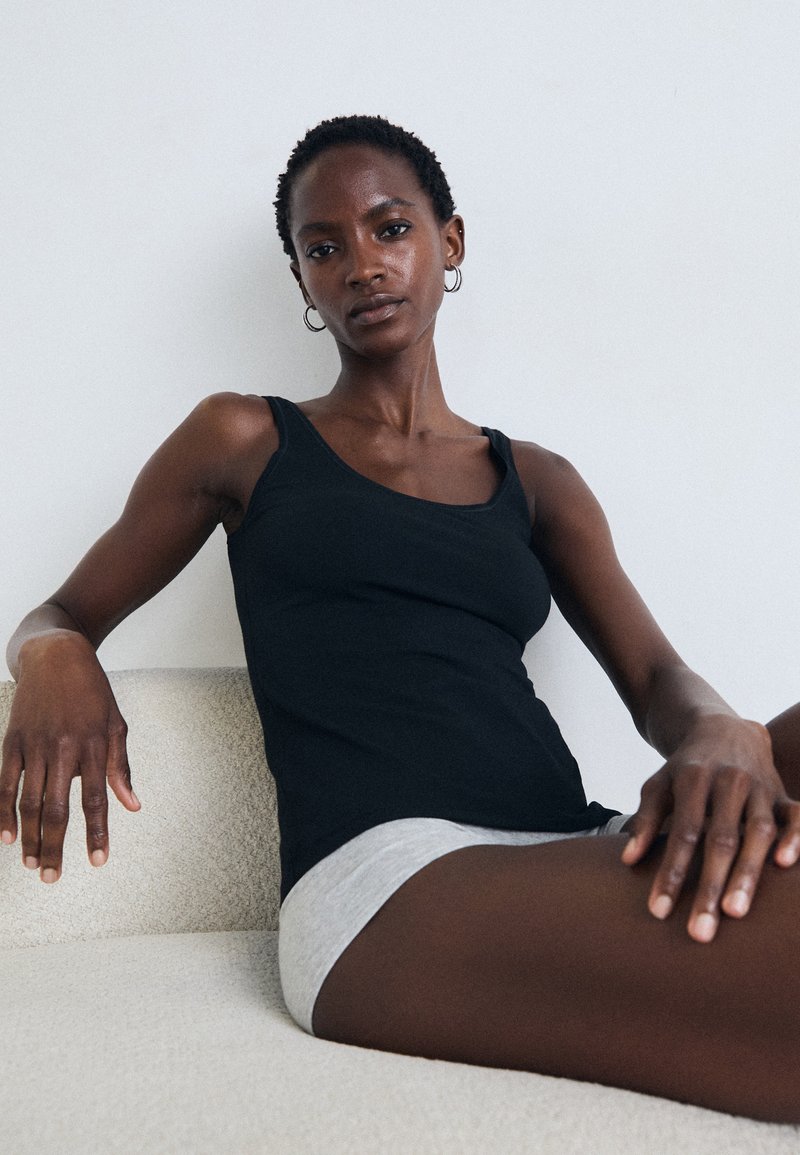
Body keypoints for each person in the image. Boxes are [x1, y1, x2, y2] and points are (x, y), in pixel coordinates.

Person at [2, 115, 800, 1123]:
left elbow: (654, 682)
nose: (361, 265)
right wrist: (54, 654)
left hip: (571, 844)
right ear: (302, 281)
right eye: (323, 247)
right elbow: (61, 611)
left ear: (448, 242)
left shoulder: (537, 480)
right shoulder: (243, 439)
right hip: (391, 884)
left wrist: (721, 728)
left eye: (389, 228)